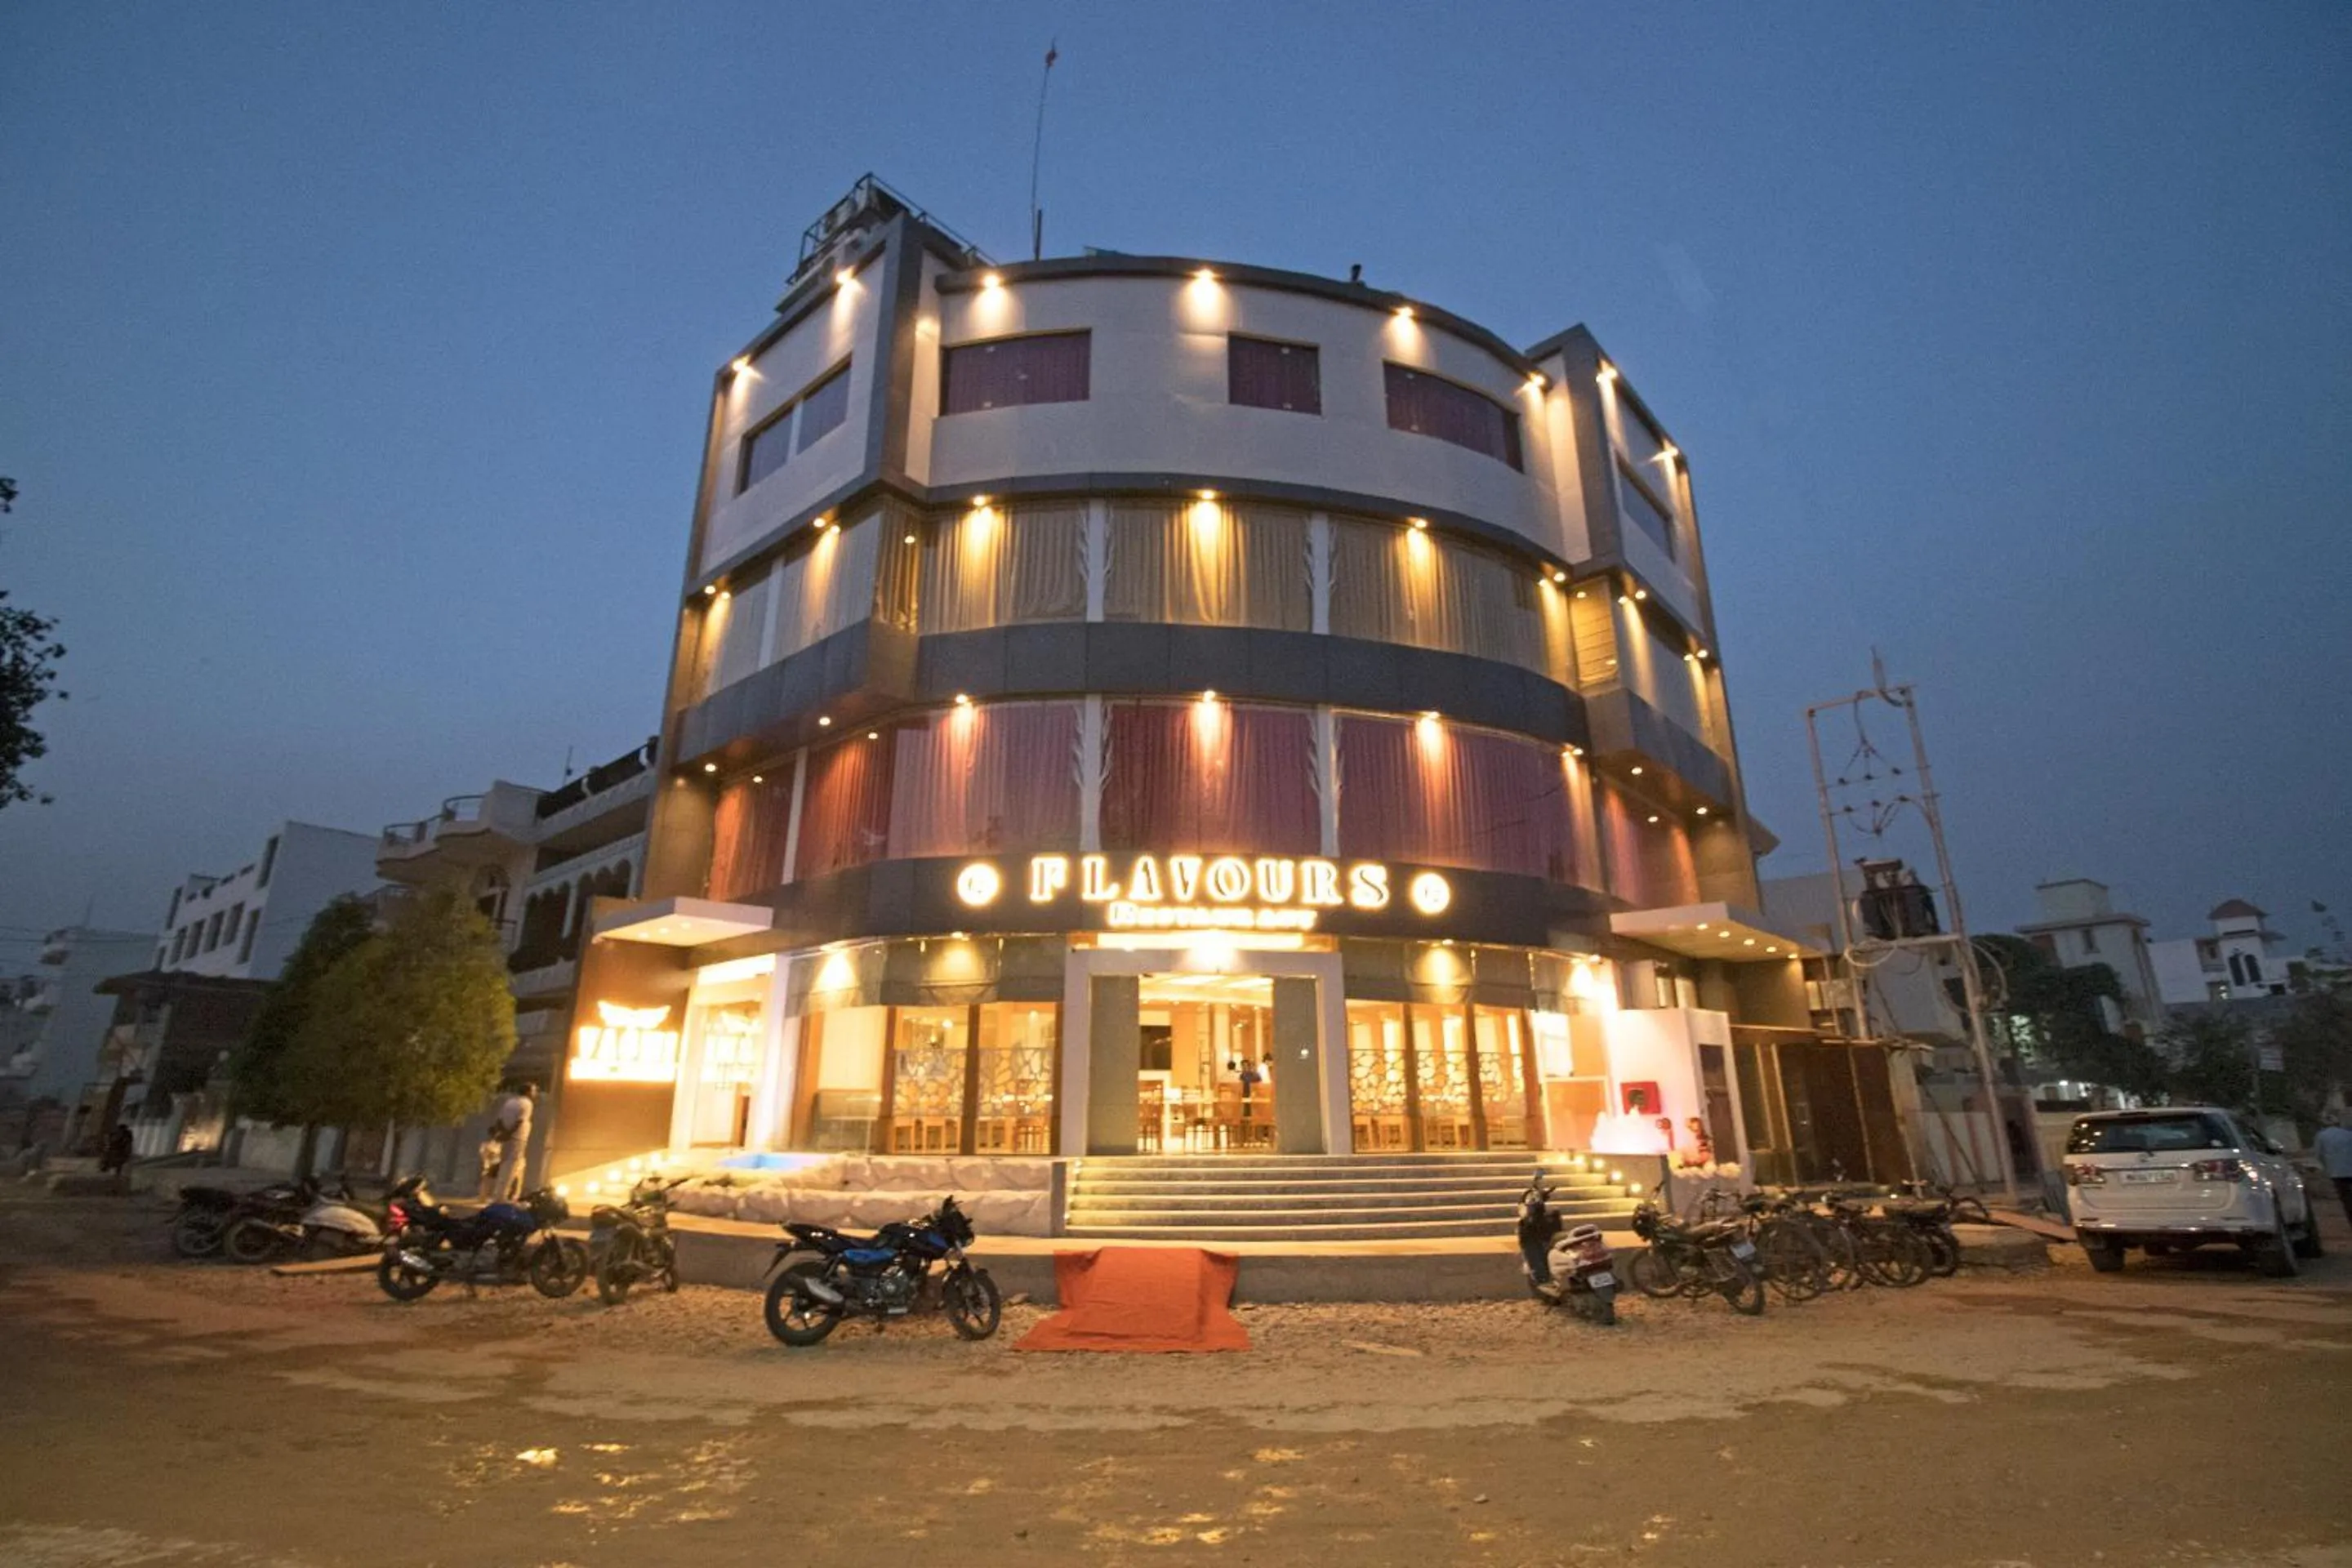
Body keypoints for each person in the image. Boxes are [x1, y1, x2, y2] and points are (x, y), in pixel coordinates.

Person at [492, 1083, 537, 1201]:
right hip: (517, 1139)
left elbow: (500, 1120)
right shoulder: (527, 1103)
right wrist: (508, 1134)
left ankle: (511, 1194)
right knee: (511, 1167)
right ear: (528, 1092)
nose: (535, 1094)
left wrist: (501, 1134)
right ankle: (502, 1196)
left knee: (513, 1166)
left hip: (507, 1138)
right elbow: (519, 1121)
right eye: (533, 1091)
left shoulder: (510, 1102)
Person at [2315, 1109, 2352, 1230]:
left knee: (2346, 1198)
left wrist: (2326, 1167)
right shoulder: (2348, 1134)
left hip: (2336, 1172)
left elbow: (2319, 1155)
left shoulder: (2321, 1136)